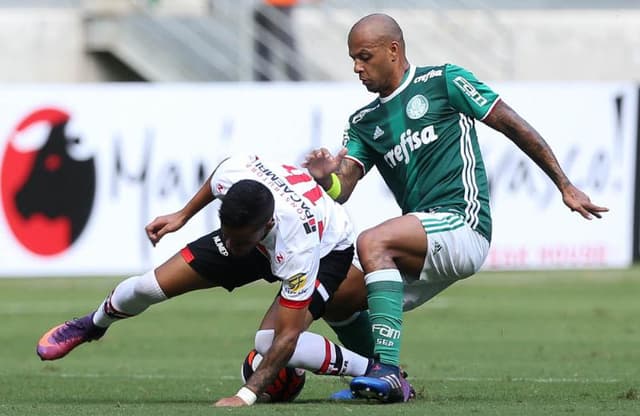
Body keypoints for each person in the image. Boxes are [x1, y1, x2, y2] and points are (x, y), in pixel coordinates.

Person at [302, 13, 609, 403]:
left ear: (393, 50)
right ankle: (377, 380)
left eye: (364, 56)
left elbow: (511, 123)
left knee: (372, 241)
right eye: (353, 60)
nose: (357, 68)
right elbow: (343, 186)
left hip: (463, 222)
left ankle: (387, 372)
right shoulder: (364, 122)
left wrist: (563, 184)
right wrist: (324, 178)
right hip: (421, 239)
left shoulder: (444, 82)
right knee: (337, 291)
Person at [35, 154, 414, 407]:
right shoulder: (237, 183)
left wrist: (247, 394)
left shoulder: (296, 245)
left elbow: (287, 336)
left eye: (240, 239)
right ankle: (91, 324)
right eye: (225, 233)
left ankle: (379, 372)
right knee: (148, 286)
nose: (230, 246)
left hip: (328, 248)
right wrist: (183, 215)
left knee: (269, 340)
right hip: (262, 237)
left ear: (265, 226)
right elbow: (219, 176)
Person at [253, 0, 302, 81]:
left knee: (284, 41)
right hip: (269, 4)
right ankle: (294, 79)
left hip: (278, 4)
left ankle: (294, 79)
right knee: (266, 44)